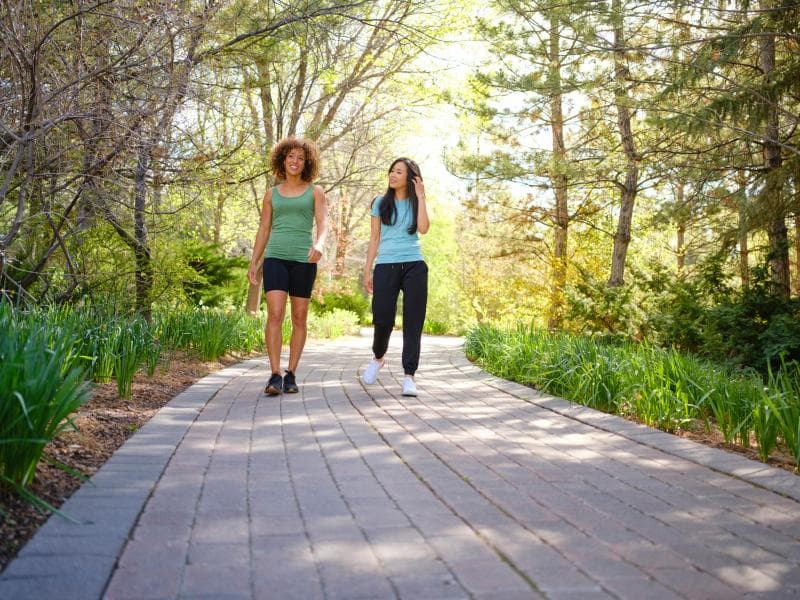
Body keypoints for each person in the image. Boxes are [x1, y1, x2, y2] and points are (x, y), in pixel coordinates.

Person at [248, 137, 327, 396]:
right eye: (291, 156)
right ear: (282, 160)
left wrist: (320, 245)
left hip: (304, 260)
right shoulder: (271, 195)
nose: (295, 161)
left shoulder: (315, 192)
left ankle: (291, 373)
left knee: (299, 317)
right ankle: (274, 374)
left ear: (307, 163)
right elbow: (264, 228)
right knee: (275, 314)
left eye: (300, 158)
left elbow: (323, 224)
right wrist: (254, 260)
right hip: (276, 258)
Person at [362, 157, 429, 396]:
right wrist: (368, 269)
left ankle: (409, 376)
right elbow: (374, 238)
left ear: (410, 178)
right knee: (382, 317)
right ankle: (378, 357)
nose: (392, 175)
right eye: (392, 171)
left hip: (414, 265)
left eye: (399, 172)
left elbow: (423, 229)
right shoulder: (380, 203)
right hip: (386, 265)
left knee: (413, 322)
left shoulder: (416, 202)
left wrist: (421, 196)